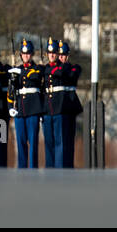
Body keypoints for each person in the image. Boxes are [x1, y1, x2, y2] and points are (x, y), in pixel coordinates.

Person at [8, 39, 44, 169]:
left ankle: (33, 168)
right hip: (20, 110)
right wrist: (9, 107)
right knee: (21, 142)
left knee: (33, 142)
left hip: (33, 109)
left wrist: (21, 73)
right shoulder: (16, 70)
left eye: (28, 53)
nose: (26, 56)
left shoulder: (37, 69)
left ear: (32, 54)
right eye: (23, 54)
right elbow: (11, 91)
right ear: (20, 55)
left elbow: (34, 77)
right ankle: (22, 168)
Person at [48, 40, 83, 168]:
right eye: (60, 55)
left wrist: (62, 70)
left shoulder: (73, 67)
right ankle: (60, 166)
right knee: (60, 140)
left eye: (64, 55)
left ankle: (68, 165)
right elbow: (57, 72)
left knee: (69, 140)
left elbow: (73, 72)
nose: (61, 57)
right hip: (60, 107)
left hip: (70, 107)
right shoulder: (55, 68)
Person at [39, 39, 60, 168]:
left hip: (57, 108)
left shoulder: (60, 67)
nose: (52, 55)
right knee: (48, 142)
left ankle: (58, 167)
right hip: (46, 108)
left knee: (59, 141)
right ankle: (49, 167)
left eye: (54, 52)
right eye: (50, 52)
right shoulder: (43, 69)